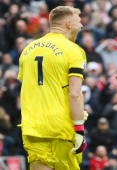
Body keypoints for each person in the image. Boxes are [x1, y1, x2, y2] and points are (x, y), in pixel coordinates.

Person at [17, 6, 88, 170]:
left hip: (32, 125)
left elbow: (31, 87)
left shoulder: (27, 50)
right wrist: (79, 128)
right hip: (60, 126)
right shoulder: (73, 50)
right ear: (69, 24)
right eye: (79, 21)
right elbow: (75, 94)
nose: (82, 25)